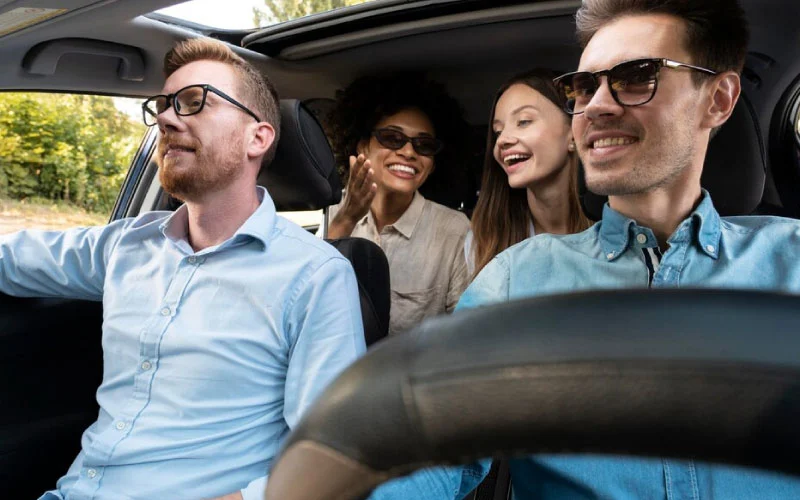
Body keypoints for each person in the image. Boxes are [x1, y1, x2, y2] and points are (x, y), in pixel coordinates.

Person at [369, 0, 800, 498]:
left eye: (637, 76)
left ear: (718, 100)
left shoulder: (790, 260)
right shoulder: (517, 281)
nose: (595, 104)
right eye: (582, 86)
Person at [0, 38, 365, 500]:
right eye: (163, 107)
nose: (167, 120)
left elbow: (333, 461)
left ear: (259, 137)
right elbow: (12, 258)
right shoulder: (126, 243)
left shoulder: (316, 277)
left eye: (195, 103)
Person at [325, 73, 471, 336]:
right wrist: (345, 221)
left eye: (424, 145)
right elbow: (304, 301)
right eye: (392, 138)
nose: (408, 152)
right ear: (363, 147)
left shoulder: (454, 230)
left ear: (433, 164)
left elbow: (465, 332)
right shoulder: (333, 213)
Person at [466, 69, 592, 277]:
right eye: (498, 131)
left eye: (523, 121)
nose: (503, 140)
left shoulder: (623, 230)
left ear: (573, 131)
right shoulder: (482, 241)